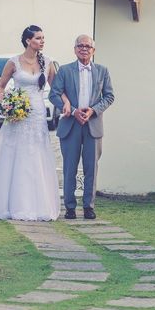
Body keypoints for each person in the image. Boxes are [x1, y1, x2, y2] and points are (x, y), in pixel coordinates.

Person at [0, 25, 62, 221]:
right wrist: (5, 105)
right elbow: (0, 87)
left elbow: (56, 89)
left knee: (35, 154)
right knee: (12, 154)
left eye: (43, 38)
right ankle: (6, 204)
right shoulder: (13, 62)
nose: (42, 41)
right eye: (38, 38)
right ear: (28, 41)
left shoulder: (48, 62)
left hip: (37, 115)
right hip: (17, 116)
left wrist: (67, 105)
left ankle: (35, 206)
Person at [49, 35, 114, 220]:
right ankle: (69, 207)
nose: (84, 49)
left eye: (88, 46)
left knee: (91, 168)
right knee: (70, 168)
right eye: (80, 46)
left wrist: (93, 111)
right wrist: (73, 110)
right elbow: (54, 94)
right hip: (70, 125)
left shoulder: (102, 71)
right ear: (75, 49)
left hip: (93, 125)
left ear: (93, 50)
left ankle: (89, 207)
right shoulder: (64, 70)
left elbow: (109, 96)